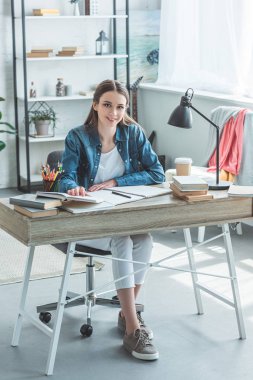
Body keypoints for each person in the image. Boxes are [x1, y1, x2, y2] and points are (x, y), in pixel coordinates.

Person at [60, 79, 165, 361]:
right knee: (122, 237)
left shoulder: (133, 134)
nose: (114, 113)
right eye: (107, 105)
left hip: (120, 214)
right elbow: (64, 177)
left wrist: (116, 181)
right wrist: (73, 187)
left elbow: (158, 173)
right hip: (86, 223)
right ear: (95, 105)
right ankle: (133, 329)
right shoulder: (77, 137)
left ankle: (125, 312)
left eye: (120, 107)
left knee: (144, 238)